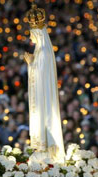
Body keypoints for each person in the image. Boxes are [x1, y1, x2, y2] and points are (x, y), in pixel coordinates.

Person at [24, 3, 65, 162]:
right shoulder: (41, 50)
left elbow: (40, 75)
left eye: (31, 34)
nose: (30, 37)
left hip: (44, 97)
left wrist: (31, 64)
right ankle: (42, 148)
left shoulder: (44, 52)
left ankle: (48, 148)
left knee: (45, 118)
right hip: (41, 95)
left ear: (38, 33)